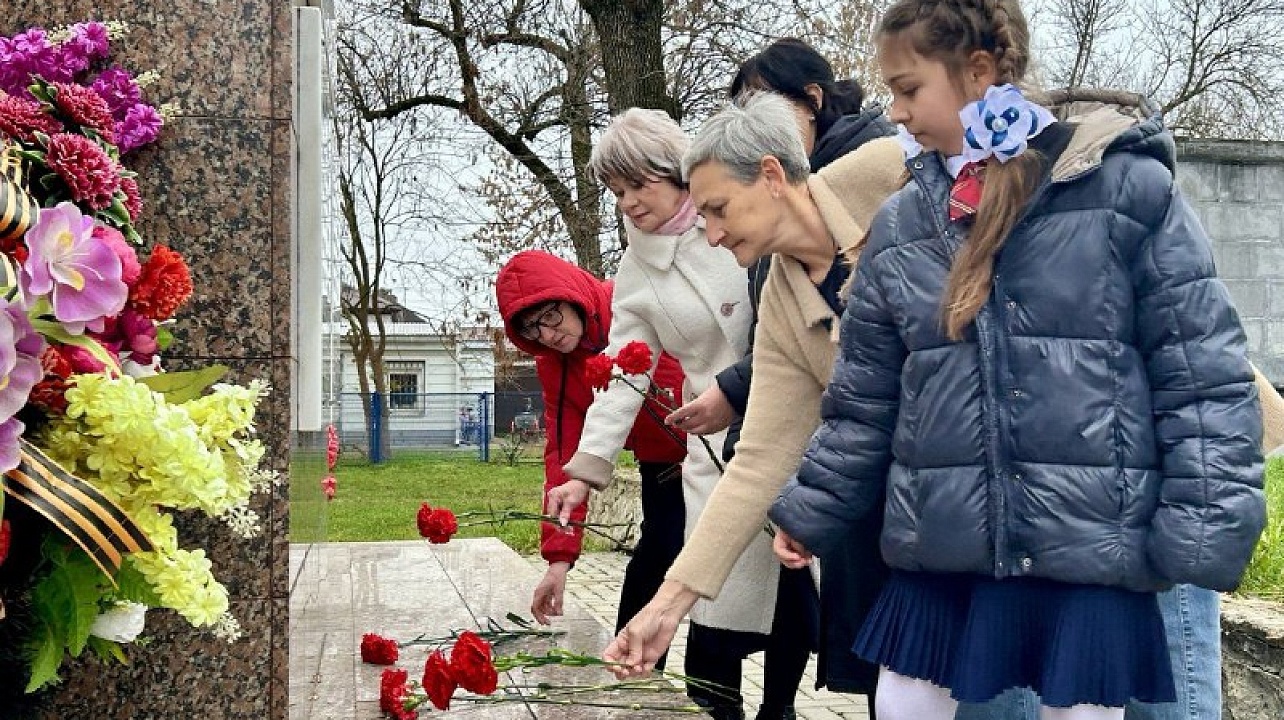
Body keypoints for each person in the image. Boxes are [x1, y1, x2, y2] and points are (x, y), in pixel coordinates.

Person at [765, 2, 1267, 720]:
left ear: (977, 71)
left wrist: (1200, 530)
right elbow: (864, 401)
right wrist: (812, 509)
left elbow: (1203, 378)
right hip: (942, 548)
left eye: (909, 90)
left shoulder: (1125, 192)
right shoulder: (904, 225)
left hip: (1088, 550)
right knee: (902, 706)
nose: (896, 113)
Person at [545, 107, 812, 720]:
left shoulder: (741, 219)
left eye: (640, 184)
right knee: (716, 613)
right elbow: (623, 370)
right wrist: (586, 467)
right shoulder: (637, 266)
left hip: (794, 430)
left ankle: (782, 711)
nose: (629, 203)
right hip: (718, 455)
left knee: (795, 595)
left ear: (678, 173)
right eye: (617, 192)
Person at [667, 38, 899, 707]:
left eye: (715, 211)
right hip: (896, 525)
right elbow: (765, 453)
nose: (709, 235)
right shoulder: (779, 285)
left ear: (771, 174)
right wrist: (669, 604)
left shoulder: (893, 170)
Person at [494, 249, 687, 671]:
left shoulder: (634, 303)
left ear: (571, 297)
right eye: (531, 327)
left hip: (718, 452)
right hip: (662, 470)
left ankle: (771, 703)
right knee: (651, 568)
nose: (546, 334)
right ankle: (632, 673)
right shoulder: (557, 365)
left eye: (550, 316)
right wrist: (558, 560)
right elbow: (564, 456)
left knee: (754, 586)